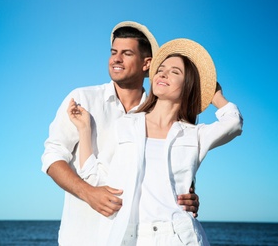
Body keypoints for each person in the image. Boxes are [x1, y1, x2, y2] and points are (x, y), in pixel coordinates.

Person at [68, 38, 243, 245]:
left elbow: (234, 123)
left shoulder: (194, 135)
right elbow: (96, 177)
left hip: (179, 236)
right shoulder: (125, 125)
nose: (163, 73)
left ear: (188, 86)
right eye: (161, 69)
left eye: (175, 72)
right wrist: (84, 129)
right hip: (131, 237)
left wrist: (215, 95)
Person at [41, 22, 200, 246]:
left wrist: (189, 198)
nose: (116, 59)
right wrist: (88, 192)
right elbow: (52, 156)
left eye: (126, 53)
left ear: (147, 63)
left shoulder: (162, 116)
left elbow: (175, 173)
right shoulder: (82, 99)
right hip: (82, 237)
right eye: (114, 52)